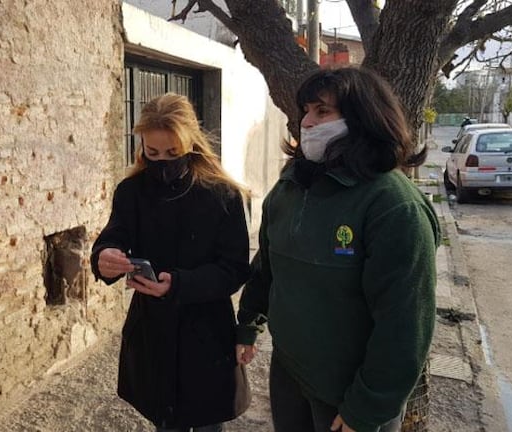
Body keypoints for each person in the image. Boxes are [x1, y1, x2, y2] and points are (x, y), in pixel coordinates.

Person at [235, 67, 441, 432]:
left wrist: (367, 407)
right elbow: (268, 269)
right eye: (305, 111)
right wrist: (248, 324)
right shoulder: (289, 189)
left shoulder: (393, 206)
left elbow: (405, 325)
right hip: (291, 375)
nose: (308, 123)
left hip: (352, 395)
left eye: (322, 111)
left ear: (363, 119)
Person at [91, 93, 251, 432]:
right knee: (165, 422)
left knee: (208, 421)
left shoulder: (223, 195)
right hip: (153, 327)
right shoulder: (131, 191)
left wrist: (178, 284)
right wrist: (104, 256)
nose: (162, 161)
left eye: (172, 153)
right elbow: (114, 235)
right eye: (153, 153)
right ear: (142, 147)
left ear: (191, 142)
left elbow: (234, 269)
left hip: (207, 329)